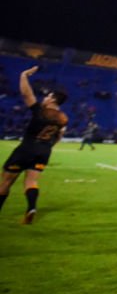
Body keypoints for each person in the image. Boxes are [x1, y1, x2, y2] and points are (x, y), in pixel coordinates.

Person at [0, 67, 69, 224]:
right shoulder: (64, 118)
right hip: (44, 151)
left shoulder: (40, 111)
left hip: (27, 148)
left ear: (52, 100)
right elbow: (59, 136)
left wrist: (23, 75)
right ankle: (31, 207)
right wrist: (47, 147)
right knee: (31, 181)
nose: (44, 98)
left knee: (6, 181)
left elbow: (26, 94)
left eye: (47, 96)